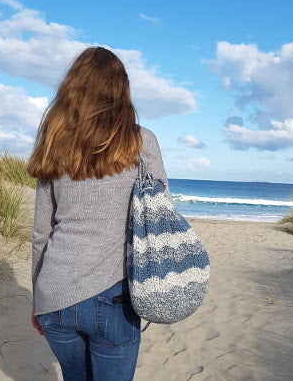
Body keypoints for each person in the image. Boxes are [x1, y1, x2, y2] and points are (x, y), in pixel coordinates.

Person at [26, 46, 172, 381]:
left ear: (71, 89)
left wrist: (38, 297)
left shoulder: (54, 142)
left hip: (55, 295)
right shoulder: (141, 142)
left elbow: (41, 234)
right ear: (122, 91)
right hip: (115, 298)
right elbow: (161, 215)